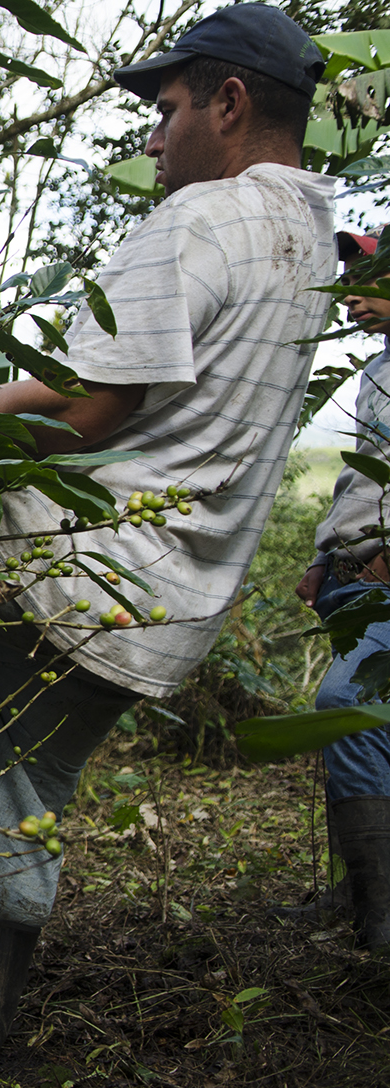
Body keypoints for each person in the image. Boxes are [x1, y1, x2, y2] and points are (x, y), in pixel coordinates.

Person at [0, 6, 333, 1083]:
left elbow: (80, 412)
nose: (151, 139)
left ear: (228, 103)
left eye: (164, 112)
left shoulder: (204, 216)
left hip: (50, 571)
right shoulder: (313, 247)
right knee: (11, 810)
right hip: (147, 625)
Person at [293, 229, 390, 951]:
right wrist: (326, 555)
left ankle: (377, 924)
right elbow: (364, 476)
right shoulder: (376, 372)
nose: (351, 294)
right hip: (351, 579)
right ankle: (356, 891)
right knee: (363, 732)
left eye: (369, 278)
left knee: (345, 707)